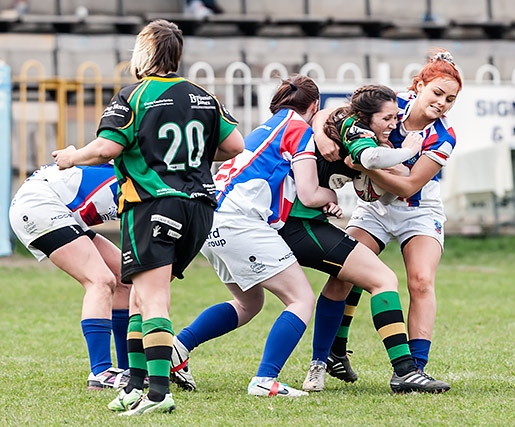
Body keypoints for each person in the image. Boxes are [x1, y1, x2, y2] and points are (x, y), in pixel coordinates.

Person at [52, 19, 244, 415]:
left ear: (144, 51)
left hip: (154, 205)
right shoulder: (203, 95)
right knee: (139, 297)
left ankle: (158, 393)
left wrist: (71, 157)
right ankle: (135, 386)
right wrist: (190, 161)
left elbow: (106, 149)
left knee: (153, 299)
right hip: (199, 209)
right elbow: (234, 145)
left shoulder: (133, 96)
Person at [169, 74, 339, 398]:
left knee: (249, 303)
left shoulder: (268, 127)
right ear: (314, 106)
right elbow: (308, 192)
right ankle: (266, 379)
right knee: (301, 299)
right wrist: (332, 196)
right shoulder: (298, 129)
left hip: (209, 221)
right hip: (237, 222)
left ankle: (178, 348)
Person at [314, 48, 462, 386]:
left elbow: (409, 187)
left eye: (450, 99)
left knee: (421, 281)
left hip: (418, 210)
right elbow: (326, 114)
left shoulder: (443, 136)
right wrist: (324, 136)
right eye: (437, 92)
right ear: (418, 86)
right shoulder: (389, 102)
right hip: (374, 210)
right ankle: (330, 355)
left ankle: (414, 369)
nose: (442, 102)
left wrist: (366, 162)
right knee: (343, 275)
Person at [9, 162, 131, 390]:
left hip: (55, 207)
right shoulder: (137, 179)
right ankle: (101, 372)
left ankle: (128, 371)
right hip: (41, 205)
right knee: (100, 280)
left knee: (125, 277)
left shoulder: (137, 173)